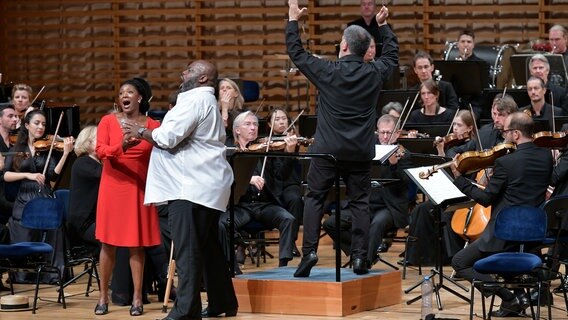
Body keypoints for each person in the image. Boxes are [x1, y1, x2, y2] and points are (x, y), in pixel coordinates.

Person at [287, 0, 398, 277]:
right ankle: (360, 258)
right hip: (360, 151)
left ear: (345, 47)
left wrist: (292, 21)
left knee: (314, 198)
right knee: (360, 201)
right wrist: (384, 26)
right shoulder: (374, 73)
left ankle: (310, 251)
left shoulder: (328, 71)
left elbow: (296, 53)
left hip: (327, 151)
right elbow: (392, 57)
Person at [122, 60, 238, 320]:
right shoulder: (203, 100)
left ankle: (186, 310)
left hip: (189, 187)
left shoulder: (195, 100)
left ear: (202, 78)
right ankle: (223, 302)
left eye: (189, 70)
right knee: (208, 248)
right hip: (205, 185)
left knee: (187, 250)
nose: (182, 73)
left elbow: (167, 138)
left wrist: (140, 130)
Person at [451, 112, 552, 317]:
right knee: (504, 264)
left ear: (516, 134)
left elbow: (487, 198)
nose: (502, 135)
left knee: (459, 262)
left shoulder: (506, 163)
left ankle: (509, 297)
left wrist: (460, 180)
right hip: (533, 233)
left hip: (504, 234)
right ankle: (517, 298)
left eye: (505, 131)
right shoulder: (546, 156)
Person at [405, 95, 517, 267]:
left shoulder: (517, 137)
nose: (495, 118)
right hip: (478, 188)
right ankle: (429, 258)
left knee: (449, 213)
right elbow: (459, 150)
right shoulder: (486, 133)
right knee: (428, 208)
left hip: (503, 192)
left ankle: (460, 260)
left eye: (500, 115)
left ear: (511, 115)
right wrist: (452, 156)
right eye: (494, 114)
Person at [94, 77, 161, 316]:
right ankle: (103, 297)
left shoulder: (152, 125)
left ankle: (137, 299)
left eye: (129, 92)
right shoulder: (107, 121)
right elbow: (100, 151)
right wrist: (120, 146)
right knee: (108, 244)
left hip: (139, 188)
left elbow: (162, 152)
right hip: (112, 188)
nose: (124, 95)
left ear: (140, 97)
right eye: (122, 92)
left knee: (136, 245)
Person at [323, 114, 411, 264]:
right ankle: (360, 253)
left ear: (397, 133)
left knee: (376, 224)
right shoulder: (367, 151)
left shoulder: (404, 154)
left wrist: (394, 165)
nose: (384, 136)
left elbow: (405, 183)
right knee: (331, 223)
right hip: (365, 203)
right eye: (381, 132)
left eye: (388, 133)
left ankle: (366, 261)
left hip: (389, 207)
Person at [218, 111, 296, 270]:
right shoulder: (228, 152)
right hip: (240, 206)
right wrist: (247, 180)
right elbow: (221, 179)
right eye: (248, 124)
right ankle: (233, 268)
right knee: (221, 224)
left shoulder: (266, 149)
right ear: (237, 130)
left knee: (288, 219)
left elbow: (281, 175)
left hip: (264, 205)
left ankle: (283, 266)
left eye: (255, 124)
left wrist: (289, 152)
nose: (253, 128)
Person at [67, 125, 101, 251]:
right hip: (83, 223)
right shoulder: (82, 162)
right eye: (100, 139)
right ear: (87, 143)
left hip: (95, 219)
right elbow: (103, 174)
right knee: (112, 237)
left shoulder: (97, 163)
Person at [218, 78, 245, 145]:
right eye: (222, 88)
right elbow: (219, 131)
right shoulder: (214, 111)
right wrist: (224, 109)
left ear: (236, 93)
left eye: (228, 88)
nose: (224, 90)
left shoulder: (243, 114)